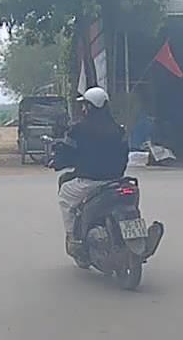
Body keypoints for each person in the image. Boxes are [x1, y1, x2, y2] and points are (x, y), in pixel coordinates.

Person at [54, 87, 128, 245]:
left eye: (85, 105)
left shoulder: (79, 129)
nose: (83, 109)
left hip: (89, 182)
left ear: (90, 106)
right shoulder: (118, 130)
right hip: (116, 181)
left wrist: (57, 162)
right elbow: (124, 155)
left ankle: (72, 237)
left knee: (65, 195)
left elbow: (67, 153)